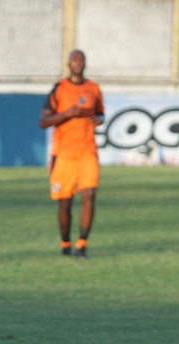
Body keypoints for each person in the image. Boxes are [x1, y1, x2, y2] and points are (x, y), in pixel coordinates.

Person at [39, 49, 105, 258]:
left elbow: (100, 113)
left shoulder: (93, 88)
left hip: (87, 151)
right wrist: (67, 114)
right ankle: (65, 242)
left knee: (89, 195)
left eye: (81, 58)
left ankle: (82, 244)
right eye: (74, 59)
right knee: (64, 202)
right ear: (68, 64)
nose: (78, 62)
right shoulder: (59, 89)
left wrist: (99, 120)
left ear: (85, 63)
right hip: (64, 154)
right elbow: (43, 121)